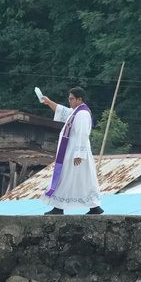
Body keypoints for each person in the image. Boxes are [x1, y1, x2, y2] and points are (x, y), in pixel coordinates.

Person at [39, 86, 103, 215]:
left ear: (79, 99)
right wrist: (49, 102)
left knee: (73, 178)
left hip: (76, 152)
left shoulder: (83, 113)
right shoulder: (76, 112)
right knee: (72, 178)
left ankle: (62, 207)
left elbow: (83, 134)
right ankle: (91, 206)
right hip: (69, 152)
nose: (69, 101)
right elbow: (63, 111)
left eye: (72, 99)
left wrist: (79, 153)